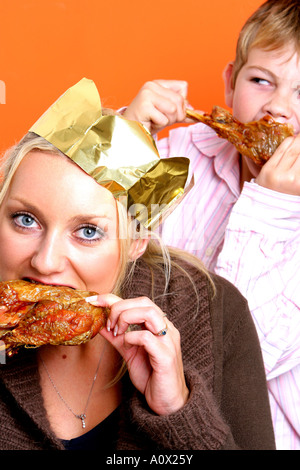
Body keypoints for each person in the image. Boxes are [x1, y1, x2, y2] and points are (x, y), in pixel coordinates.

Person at [0, 78, 275, 450]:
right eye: (25, 220)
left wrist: (177, 411)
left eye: (87, 231)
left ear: (137, 241)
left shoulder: (212, 312)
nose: (46, 261)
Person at [122, 0, 300, 450]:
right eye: (261, 81)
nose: (276, 107)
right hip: (137, 412)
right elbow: (90, 237)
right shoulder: (179, 152)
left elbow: (233, 356)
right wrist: (125, 138)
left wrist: (271, 207)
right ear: (230, 83)